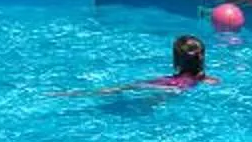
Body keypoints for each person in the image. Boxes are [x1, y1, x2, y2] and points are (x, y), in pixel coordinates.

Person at [64, 34, 214, 97]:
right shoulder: (210, 81)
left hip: (164, 85)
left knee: (124, 88)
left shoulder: (165, 80)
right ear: (202, 58)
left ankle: (75, 93)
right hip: (173, 89)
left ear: (176, 61)